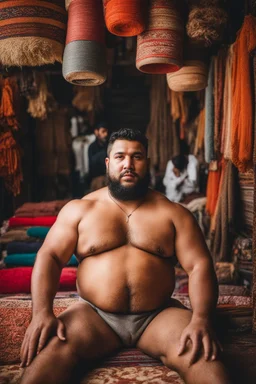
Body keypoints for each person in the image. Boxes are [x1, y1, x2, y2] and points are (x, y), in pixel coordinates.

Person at [20, 129, 230, 384]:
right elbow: (50, 256)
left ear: (147, 162)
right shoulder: (80, 210)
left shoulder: (174, 214)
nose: (128, 164)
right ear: (108, 163)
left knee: (207, 361)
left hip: (158, 316)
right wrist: (41, 313)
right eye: (120, 156)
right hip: (94, 316)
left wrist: (201, 319)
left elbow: (199, 266)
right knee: (41, 367)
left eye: (137, 156)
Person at [88, 122, 109, 191]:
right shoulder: (92, 148)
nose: (106, 134)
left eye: (106, 132)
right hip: (97, 179)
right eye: (103, 131)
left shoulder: (108, 146)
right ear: (96, 132)